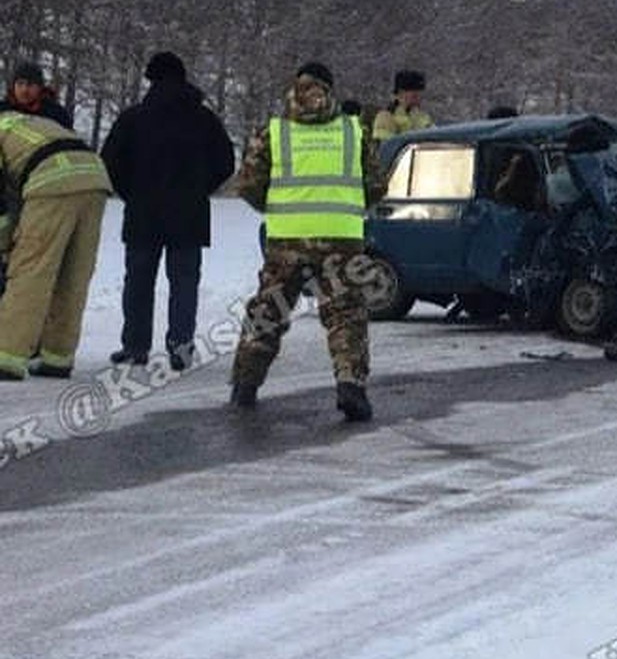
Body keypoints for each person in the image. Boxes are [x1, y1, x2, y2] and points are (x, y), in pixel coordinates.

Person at [229, 62, 384, 421]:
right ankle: (350, 384)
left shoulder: (273, 132)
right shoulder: (354, 131)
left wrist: (279, 208)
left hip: (287, 238)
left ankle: (245, 385)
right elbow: (376, 185)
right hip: (342, 237)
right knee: (345, 313)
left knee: (269, 310)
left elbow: (248, 185)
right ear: (330, 89)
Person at [101, 51, 235, 370]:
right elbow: (225, 162)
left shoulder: (133, 118)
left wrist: (131, 192)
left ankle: (135, 346)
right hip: (189, 214)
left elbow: (110, 161)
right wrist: (200, 188)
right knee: (184, 282)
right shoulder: (204, 119)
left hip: (144, 212)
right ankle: (181, 346)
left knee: (138, 281)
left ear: (151, 79)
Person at [0, 110, 111, 380]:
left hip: (50, 179)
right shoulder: (23, 122)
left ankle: (7, 356)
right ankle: (58, 357)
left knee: (31, 270)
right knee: (73, 273)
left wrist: (5, 246)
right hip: (94, 177)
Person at [0, 61, 73, 128]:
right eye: (20, 83)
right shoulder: (3, 109)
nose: (24, 90)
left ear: (40, 87)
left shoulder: (56, 114)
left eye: (30, 84)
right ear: (13, 86)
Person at [372, 69, 433, 140]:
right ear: (400, 95)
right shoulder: (385, 117)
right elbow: (386, 145)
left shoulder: (423, 117)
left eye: (420, 96)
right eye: (414, 96)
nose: (418, 100)